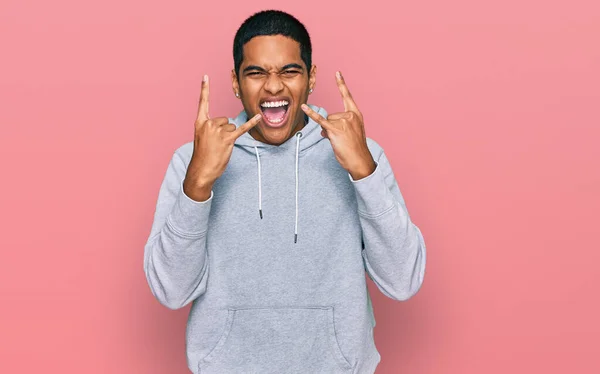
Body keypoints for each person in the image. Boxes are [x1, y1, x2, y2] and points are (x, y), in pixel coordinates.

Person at [143, 9, 426, 374]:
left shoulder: (359, 154)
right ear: (235, 82)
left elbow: (403, 282)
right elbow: (171, 291)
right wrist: (197, 184)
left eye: (289, 71)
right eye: (256, 72)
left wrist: (363, 171)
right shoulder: (192, 161)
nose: (273, 87)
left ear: (310, 79)